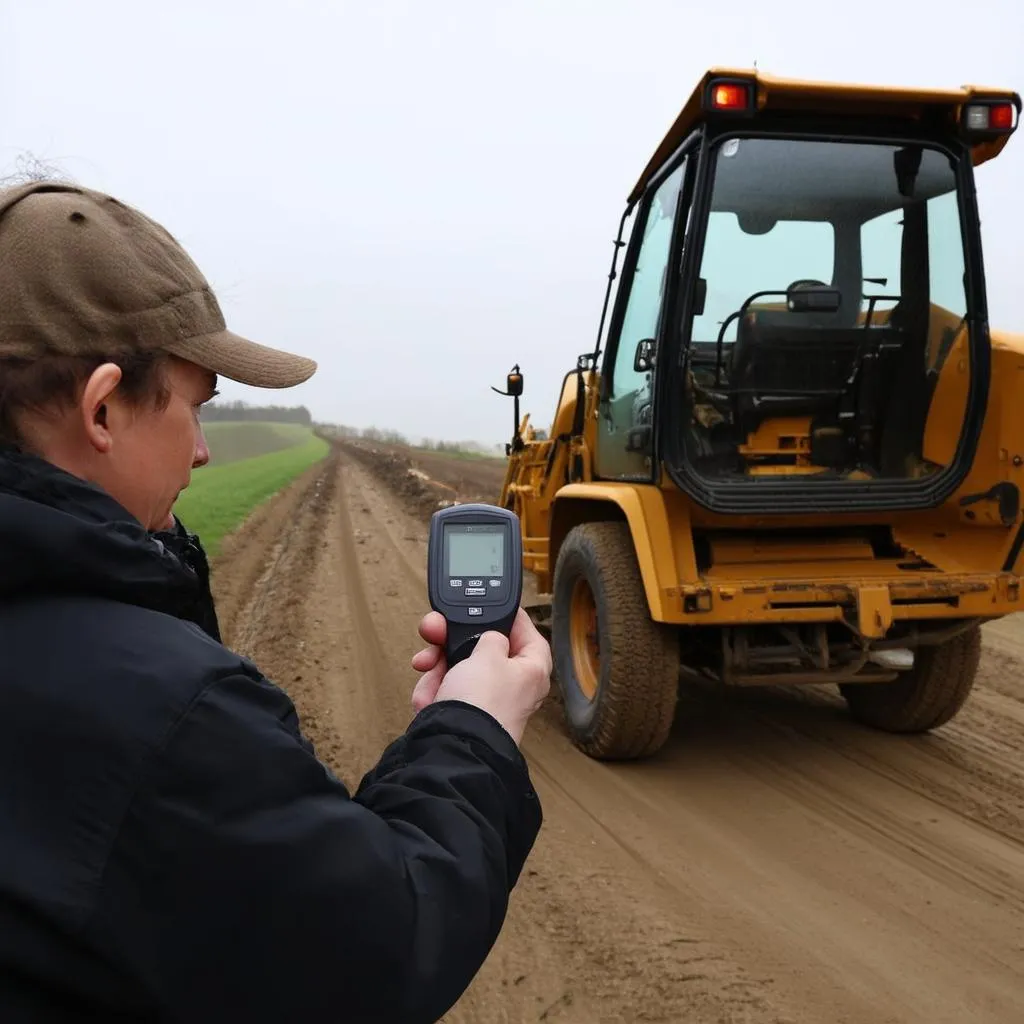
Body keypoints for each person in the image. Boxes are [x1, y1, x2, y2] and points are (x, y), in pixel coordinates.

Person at [0, 180, 551, 1023]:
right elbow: (378, 947)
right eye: (195, 404)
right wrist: (475, 732)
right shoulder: (163, 713)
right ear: (102, 407)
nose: (204, 449)